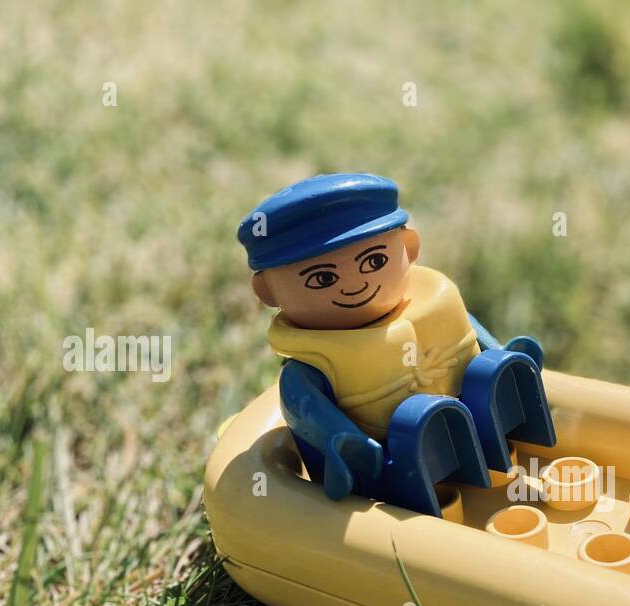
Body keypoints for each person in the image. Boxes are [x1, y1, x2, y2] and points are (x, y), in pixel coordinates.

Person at [237, 173, 554, 515]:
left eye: (374, 261)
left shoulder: (435, 301)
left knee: (485, 374)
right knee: (412, 429)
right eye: (323, 278)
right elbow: (305, 407)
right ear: (267, 292)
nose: (354, 285)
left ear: (410, 247)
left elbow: (470, 329)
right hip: (390, 460)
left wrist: (499, 353)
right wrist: (343, 441)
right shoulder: (313, 362)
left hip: (476, 421)